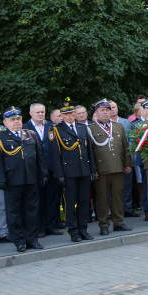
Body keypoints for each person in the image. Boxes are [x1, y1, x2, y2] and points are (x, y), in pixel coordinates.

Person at [0, 107, 47, 252]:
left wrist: (43, 174)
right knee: (14, 213)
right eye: (12, 120)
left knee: (31, 211)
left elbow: (39, 158)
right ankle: (19, 241)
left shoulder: (30, 134)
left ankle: (32, 240)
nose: (16, 122)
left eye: (18, 119)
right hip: (12, 181)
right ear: (5, 122)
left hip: (30, 179)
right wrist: (0, 180)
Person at [50, 100, 97, 241]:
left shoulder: (82, 128)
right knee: (70, 203)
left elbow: (89, 151)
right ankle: (73, 231)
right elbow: (55, 155)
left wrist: (91, 169)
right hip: (68, 172)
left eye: (71, 113)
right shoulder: (56, 130)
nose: (69, 116)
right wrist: (59, 174)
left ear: (75, 114)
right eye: (66, 114)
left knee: (84, 202)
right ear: (62, 116)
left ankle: (83, 229)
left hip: (83, 170)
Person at [88, 99, 132, 234]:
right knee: (102, 198)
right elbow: (90, 152)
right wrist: (93, 169)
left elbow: (125, 147)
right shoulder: (90, 129)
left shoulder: (118, 126)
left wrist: (127, 164)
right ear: (96, 113)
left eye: (107, 110)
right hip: (102, 170)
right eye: (102, 110)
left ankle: (118, 222)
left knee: (118, 196)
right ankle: (104, 224)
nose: (105, 113)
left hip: (118, 167)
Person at [24, 102, 62, 237]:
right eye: (38, 112)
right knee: (37, 201)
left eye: (42, 112)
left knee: (53, 200)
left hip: (52, 170)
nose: (41, 114)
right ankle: (40, 228)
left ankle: (52, 226)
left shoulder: (52, 127)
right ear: (31, 113)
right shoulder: (25, 129)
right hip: (35, 171)